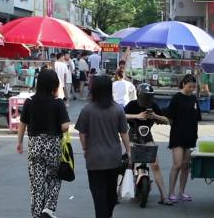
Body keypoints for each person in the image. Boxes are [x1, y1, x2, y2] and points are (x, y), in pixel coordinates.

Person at [16, 69, 70, 218]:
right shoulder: (58, 103)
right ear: (54, 85)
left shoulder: (30, 101)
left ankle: (37, 214)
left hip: (35, 146)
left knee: (37, 183)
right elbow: (65, 126)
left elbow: (22, 123)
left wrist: (19, 142)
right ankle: (49, 208)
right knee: (55, 177)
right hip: (53, 146)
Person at [76, 76, 131, 218]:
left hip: (94, 159)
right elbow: (124, 133)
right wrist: (129, 151)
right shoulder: (118, 109)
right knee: (111, 194)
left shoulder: (87, 110)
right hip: (113, 158)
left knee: (98, 195)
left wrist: (85, 149)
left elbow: (82, 134)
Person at [124, 83, 172, 205]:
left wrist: (154, 116)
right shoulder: (132, 104)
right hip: (133, 136)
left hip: (147, 137)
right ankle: (116, 192)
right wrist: (137, 116)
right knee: (128, 163)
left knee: (155, 164)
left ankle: (164, 196)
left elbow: (166, 120)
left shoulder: (153, 106)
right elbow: (121, 115)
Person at [167, 74, 201, 203]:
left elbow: (197, 118)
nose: (192, 89)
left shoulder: (193, 99)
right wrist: (176, 129)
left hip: (191, 135)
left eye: (193, 86)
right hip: (177, 135)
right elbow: (170, 118)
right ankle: (171, 192)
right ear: (183, 84)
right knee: (177, 164)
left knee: (186, 165)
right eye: (189, 86)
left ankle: (182, 191)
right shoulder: (176, 98)